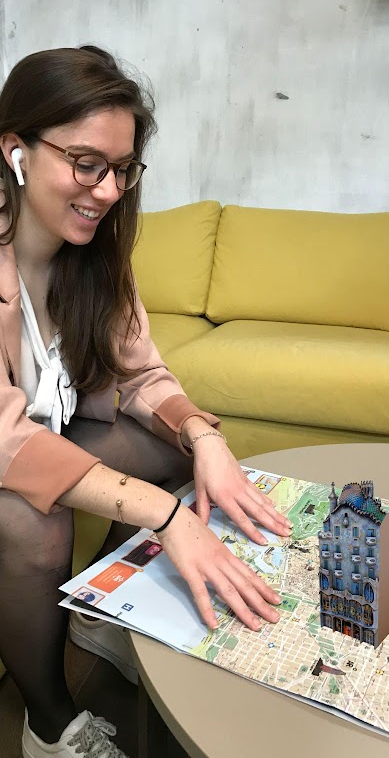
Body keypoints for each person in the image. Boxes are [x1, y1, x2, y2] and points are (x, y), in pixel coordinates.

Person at [0, 46, 293, 758]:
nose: (106, 191)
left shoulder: (97, 251)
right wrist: (166, 515)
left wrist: (203, 436)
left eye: (122, 169)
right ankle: (47, 721)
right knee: (30, 521)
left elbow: (140, 374)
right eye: (85, 163)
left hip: (47, 435)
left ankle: (101, 617)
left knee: (176, 448)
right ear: (15, 151)